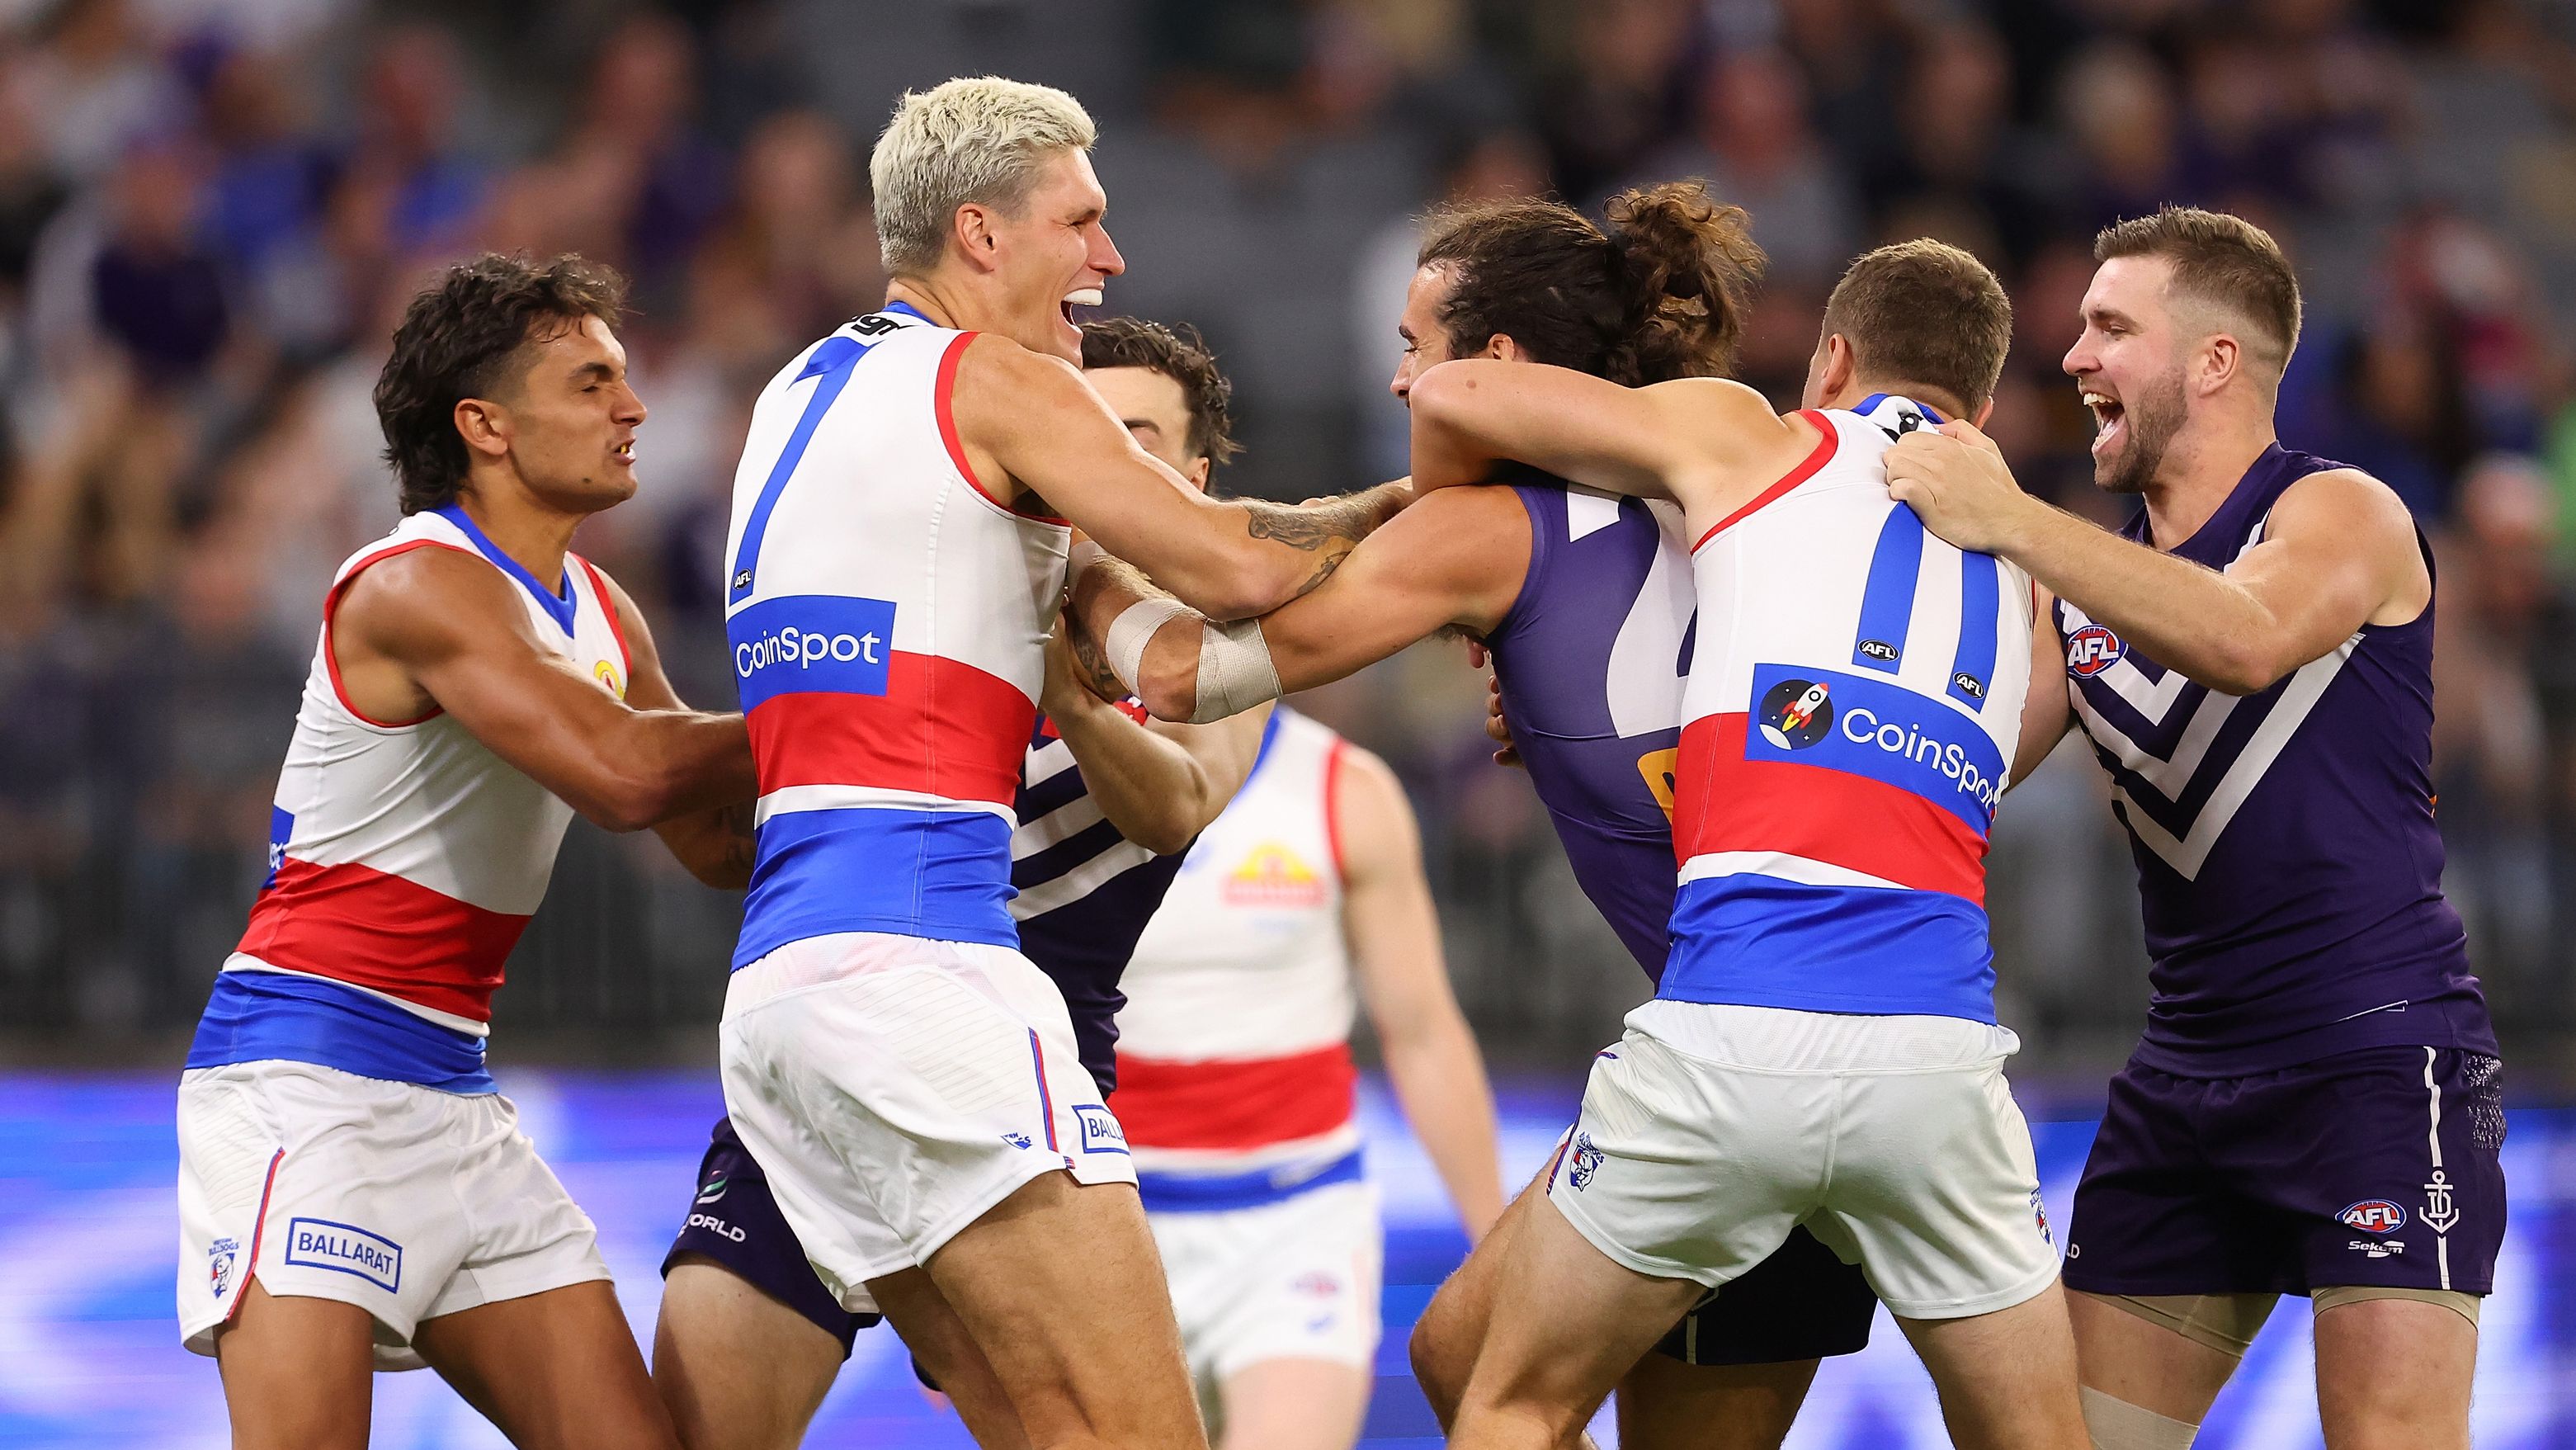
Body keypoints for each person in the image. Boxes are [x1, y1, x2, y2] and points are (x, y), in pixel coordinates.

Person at [1064, 199, 1969, 1450]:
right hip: (1875, 1021)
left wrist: (1068, 568)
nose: (1396, 375)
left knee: (1493, 1391)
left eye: (1416, 342)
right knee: (1457, 1353)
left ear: (1494, 368)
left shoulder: (1488, 532)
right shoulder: (1747, 494)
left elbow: (1183, 677)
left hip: (1735, 1055)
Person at [715, 73, 1408, 1450]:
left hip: (778, 999)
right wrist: (1436, 536)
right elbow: (1229, 566)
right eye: (1082, 222)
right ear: (980, 233)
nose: (1111, 259)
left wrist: (1358, 515)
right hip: (926, 976)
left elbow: (1159, 583)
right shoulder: (996, 381)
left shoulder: (802, 384)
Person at [1390, 239, 2089, 1450]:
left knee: (1503, 1399)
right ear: (1977, 412)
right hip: (1935, 1061)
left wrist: (1538, 649)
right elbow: (1966, 782)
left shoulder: (1762, 439)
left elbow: (1452, 391)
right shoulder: (2028, 578)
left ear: (1831, 358)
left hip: (1731, 1036)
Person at [1880, 205, 2503, 1450]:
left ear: (2214, 362)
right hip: (2183, 1086)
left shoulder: (2338, 514)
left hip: (2376, 1066)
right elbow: (1939, 774)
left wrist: (2012, 521)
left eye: (2110, 327)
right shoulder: (2082, 590)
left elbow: (2240, 638)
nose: (2072, 357)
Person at [649, 316, 1272, 1450]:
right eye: (1083, 431)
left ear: (1185, 482)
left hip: (1010, 1050)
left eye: (1132, 443)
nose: (1093, 461)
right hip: (842, 1027)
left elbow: (1178, 803)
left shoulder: (1209, 648)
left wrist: (1076, 703)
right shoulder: (947, 576)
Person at [175, 253, 758, 1450]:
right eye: (592, 382)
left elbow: (707, 842)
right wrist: (864, 693)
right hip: (306, 1086)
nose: (633, 408)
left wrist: (906, 789)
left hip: (451, 1093)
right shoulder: (416, 585)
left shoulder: (601, 607)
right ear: (484, 425)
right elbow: (624, 774)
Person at [1116, 691, 1502, 1450]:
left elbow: (1422, 1031)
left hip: (1297, 1221)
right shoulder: (1065, 777)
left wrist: (1498, 1256)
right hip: (1109, 1226)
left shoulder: (1342, 787)